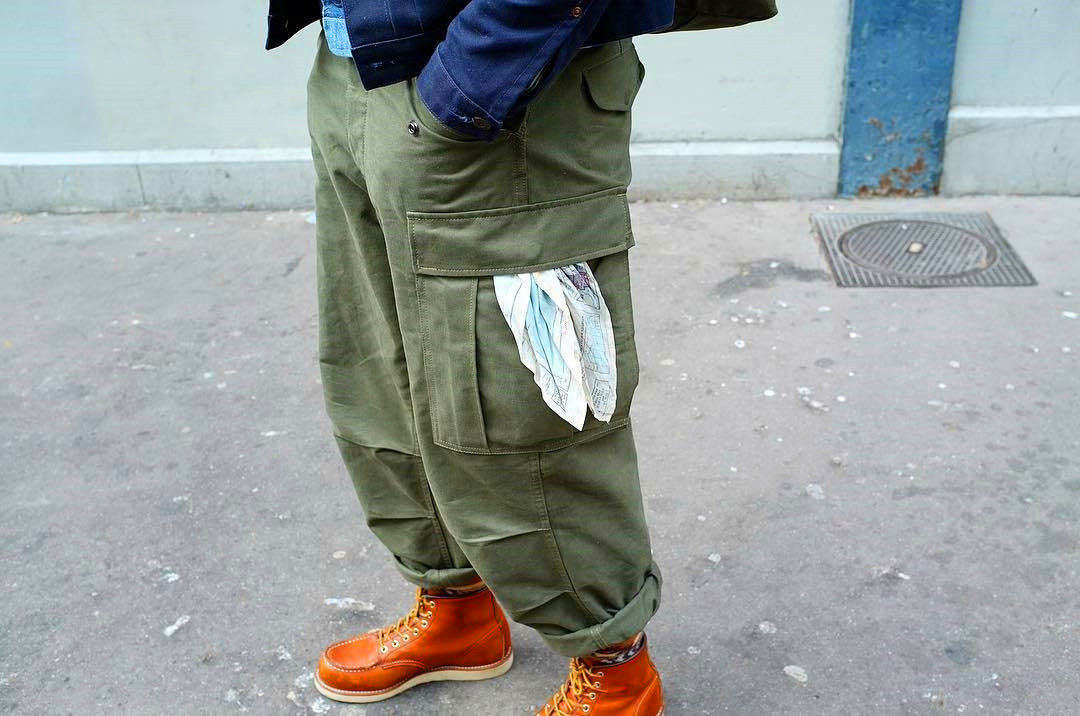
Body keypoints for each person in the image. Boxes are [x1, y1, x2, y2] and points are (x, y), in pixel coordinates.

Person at [265, 1, 674, 712]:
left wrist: (467, 85)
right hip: (355, 61)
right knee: (383, 368)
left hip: (494, 86)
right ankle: (459, 613)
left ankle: (615, 671)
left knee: (515, 406)